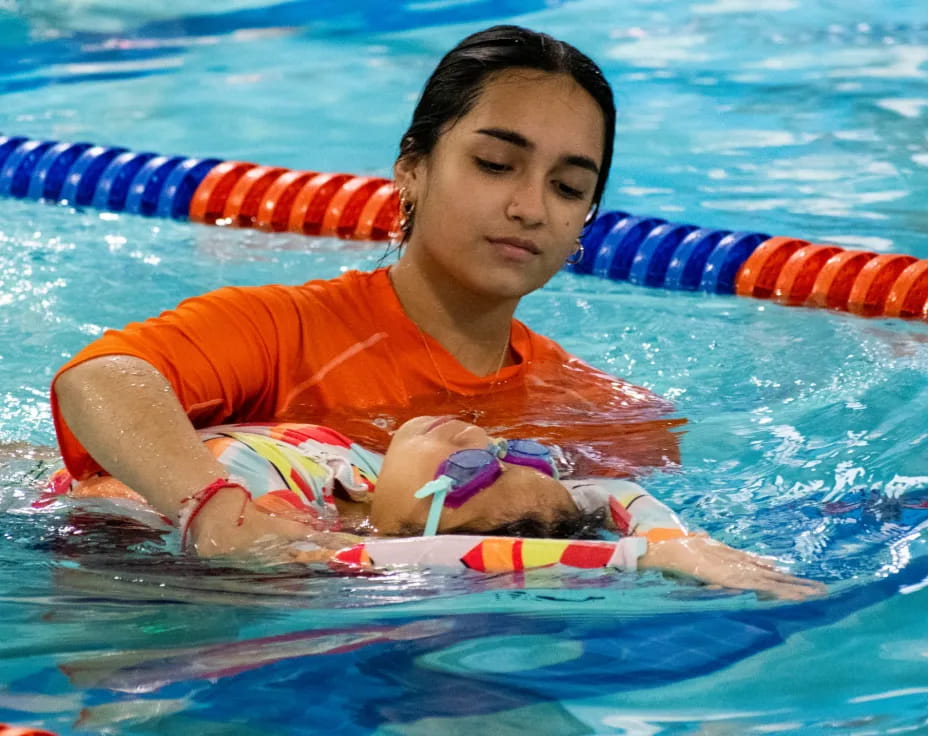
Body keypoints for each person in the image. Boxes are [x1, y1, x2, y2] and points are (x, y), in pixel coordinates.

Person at [52, 26, 682, 557]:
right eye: (494, 164)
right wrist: (218, 515)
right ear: (413, 169)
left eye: (568, 188)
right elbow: (100, 380)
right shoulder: (287, 330)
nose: (529, 208)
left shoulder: (612, 420)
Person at [45, 415, 826, 600]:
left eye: (473, 472)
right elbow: (605, 495)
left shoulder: (295, 536)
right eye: (518, 452)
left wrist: (645, 557)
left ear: (408, 530)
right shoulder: (368, 483)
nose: (485, 443)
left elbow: (455, 556)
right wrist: (677, 533)